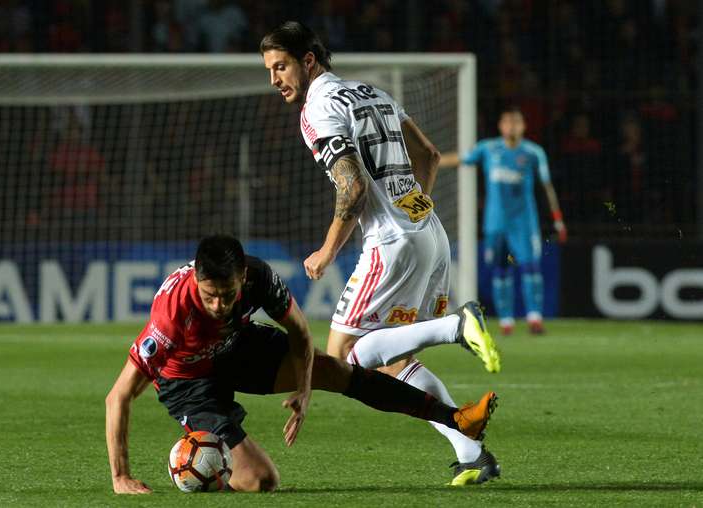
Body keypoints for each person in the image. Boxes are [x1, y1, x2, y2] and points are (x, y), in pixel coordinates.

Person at [260, 21, 501, 485]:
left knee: (344, 355)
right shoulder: (372, 92)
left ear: (308, 61)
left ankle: (458, 326)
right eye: (270, 69)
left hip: (391, 243)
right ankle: (470, 448)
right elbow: (428, 155)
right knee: (391, 360)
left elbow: (350, 189)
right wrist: (411, 215)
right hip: (429, 231)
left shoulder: (317, 110)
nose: (274, 79)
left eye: (281, 66)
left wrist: (327, 251)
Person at [105, 235, 498, 494]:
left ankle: (456, 419)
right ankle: (209, 469)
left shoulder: (259, 277)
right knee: (262, 481)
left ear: (243, 276)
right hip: (189, 382)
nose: (218, 305)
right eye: (209, 296)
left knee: (335, 368)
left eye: (227, 295)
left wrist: (305, 388)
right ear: (196, 279)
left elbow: (299, 331)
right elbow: (119, 396)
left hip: (236, 347)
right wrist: (120, 475)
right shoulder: (172, 317)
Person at [440, 106, 567, 335]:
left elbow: (546, 186)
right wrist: (433, 160)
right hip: (496, 223)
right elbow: (461, 159)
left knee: (530, 267)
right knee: (501, 270)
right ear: (501, 126)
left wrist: (557, 219)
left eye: (516, 122)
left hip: (524, 223)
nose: (512, 127)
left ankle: (534, 318)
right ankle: (506, 321)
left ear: (523, 126)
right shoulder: (488, 149)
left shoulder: (532, 152)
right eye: (507, 122)